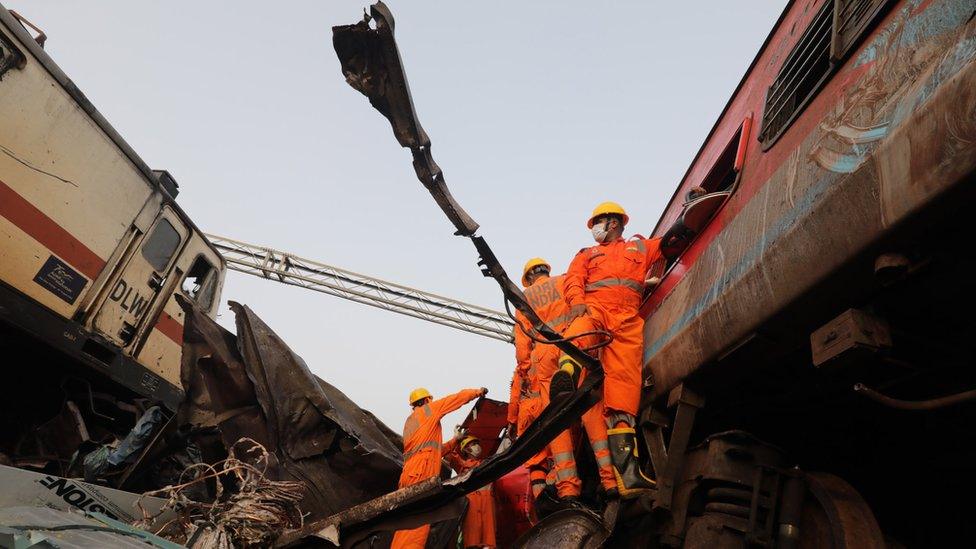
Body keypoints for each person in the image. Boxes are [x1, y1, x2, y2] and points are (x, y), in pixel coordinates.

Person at [552, 201, 663, 498]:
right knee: (581, 330)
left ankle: (628, 474)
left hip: (627, 321)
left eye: (597, 223)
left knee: (624, 395)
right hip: (597, 307)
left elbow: (673, 240)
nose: (595, 230)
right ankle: (564, 375)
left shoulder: (642, 249)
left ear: (613, 222)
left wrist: (692, 201)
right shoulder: (587, 254)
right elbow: (574, 280)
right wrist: (577, 304)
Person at [510, 258, 614, 505]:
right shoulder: (566, 281)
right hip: (574, 344)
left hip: (544, 356)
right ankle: (610, 480)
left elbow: (522, 349)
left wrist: (527, 368)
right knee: (590, 410)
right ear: (546, 270)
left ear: (528, 277)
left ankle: (568, 489)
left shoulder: (522, 299)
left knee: (557, 421)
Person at [392, 386, 487, 549]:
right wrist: (477, 392)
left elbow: (436, 450)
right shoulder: (429, 410)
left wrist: (455, 441)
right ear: (427, 400)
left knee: (407, 521)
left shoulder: (411, 422)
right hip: (422, 471)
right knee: (419, 522)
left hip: (409, 473)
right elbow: (454, 399)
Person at [443, 432, 496, 548]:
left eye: (477, 443)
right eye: (473, 444)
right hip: (471, 505)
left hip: (487, 504)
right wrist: (455, 439)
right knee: (472, 542)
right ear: (466, 449)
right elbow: (446, 453)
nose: (477, 446)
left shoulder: (488, 463)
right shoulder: (462, 465)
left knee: (490, 542)